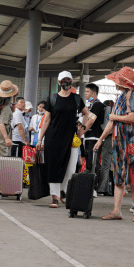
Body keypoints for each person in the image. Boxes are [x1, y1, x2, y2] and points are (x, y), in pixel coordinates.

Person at [92, 67, 134, 221]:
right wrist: (101, 139)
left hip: (131, 142)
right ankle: (116, 210)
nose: (114, 82)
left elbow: (132, 118)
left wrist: (115, 116)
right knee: (118, 177)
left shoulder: (132, 96)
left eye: (116, 80)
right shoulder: (122, 96)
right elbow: (112, 121)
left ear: (122, 81)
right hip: (120, 142)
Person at [35, 71, 93, 208]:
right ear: (59, 82)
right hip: (52, 137)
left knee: (71, 168)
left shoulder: (77, 98)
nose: (66, 82)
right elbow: (46, 120)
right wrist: (39, 139)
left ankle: (63, 191)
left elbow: (86, 114)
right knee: (53, 167)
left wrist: (82, 129)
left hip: (71, 138)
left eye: (68, 80)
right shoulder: (52, 98)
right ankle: (54, 197)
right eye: (63, 80)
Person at [83, 83, 107, 174]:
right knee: (89, 163)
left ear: (94, 93)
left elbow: (91, 121)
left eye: (87, 91)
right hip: (89, 136)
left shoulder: (97, 105)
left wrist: (81, 131)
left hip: (95, 137)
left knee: (93, 164)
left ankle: (95, 185)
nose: (85, 93)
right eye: (85, 91)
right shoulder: (90, 105)